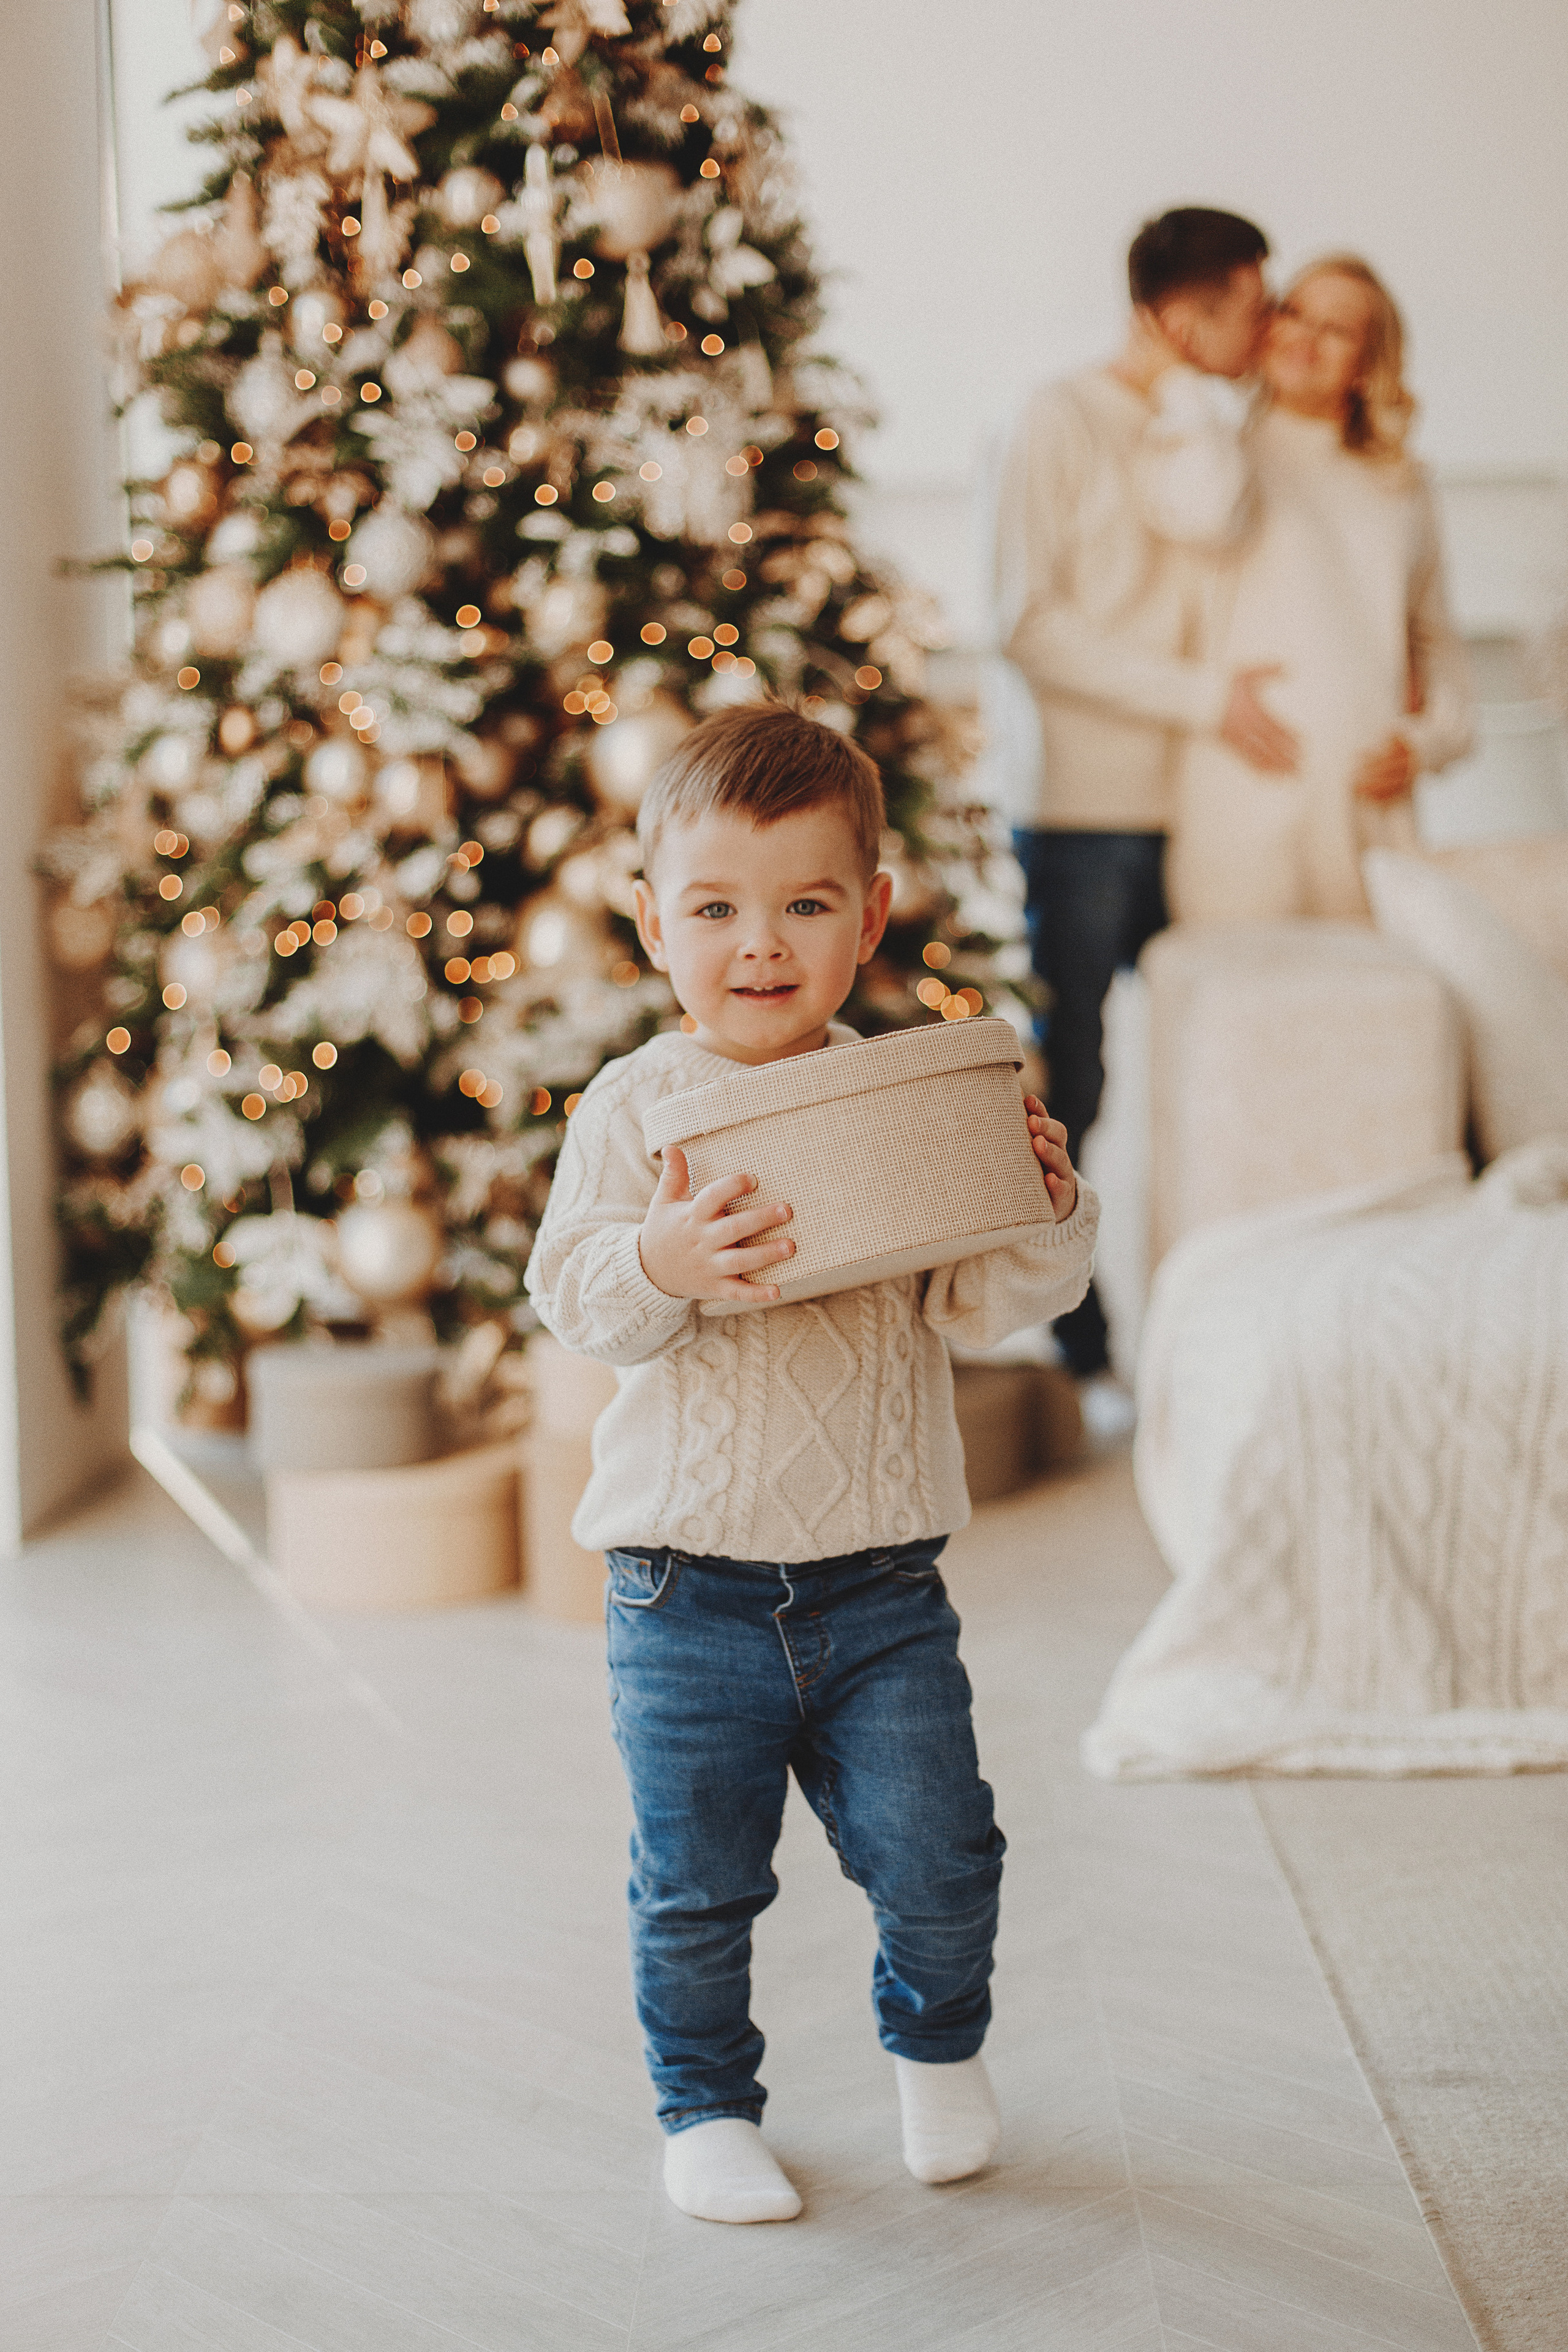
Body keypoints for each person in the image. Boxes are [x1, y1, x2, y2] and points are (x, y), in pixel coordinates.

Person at [524, 705, 1098, 2225]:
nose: (757, 943)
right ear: (651, 921)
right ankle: (704, 2106)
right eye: (712, 907)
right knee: (697, 1886)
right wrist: (655, 1255)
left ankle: (937, 2050)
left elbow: (987, 1299)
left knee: (941, 1852)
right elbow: (575, 1296)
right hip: (681, 1592)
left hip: (879, 1584)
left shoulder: (899, 1101)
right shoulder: (631, 1109)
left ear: (869, 917)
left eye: (802, 903)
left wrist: (1039, 1210)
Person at [997, 206, 1292, 1378]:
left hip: (1215, 802)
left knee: (1220, 1066)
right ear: (1182, 316)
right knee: (1076, 1084)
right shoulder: (1056, 420)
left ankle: (1210, 1315)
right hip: (1087, 808)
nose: (1267, 329)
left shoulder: (1220, 429)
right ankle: (1080, 1335)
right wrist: (1201, 698)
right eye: (1250, 306)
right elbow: (1025, 625)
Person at [1164, 256, 1474, 921]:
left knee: (1381, 1012)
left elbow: (1436, 640)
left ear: (1367, 364)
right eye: (1294, 312)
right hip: (1242, 803)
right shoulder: (1215, 454)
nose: (1304, 337)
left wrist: (1427, 743)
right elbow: (1197, 526)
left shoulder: (1403, 486)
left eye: (1336, 329)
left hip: (1369, 811)